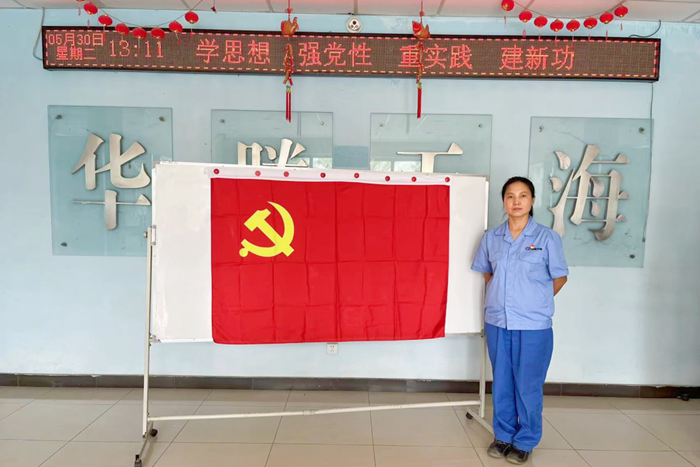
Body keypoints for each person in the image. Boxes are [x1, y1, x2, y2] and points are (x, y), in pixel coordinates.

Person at [471, 176, 569, 465]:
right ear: (504, 201)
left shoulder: (547, 238)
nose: (516, 201)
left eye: (523, 195)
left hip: (533, 326)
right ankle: (503, 436)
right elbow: (487, 273)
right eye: (510, 196)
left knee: (528, 385)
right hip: (498, 322)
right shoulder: (491, 237)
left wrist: (534, 301)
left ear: (532, 200)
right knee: (502, 382)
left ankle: (525, 440)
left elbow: (560, 278)